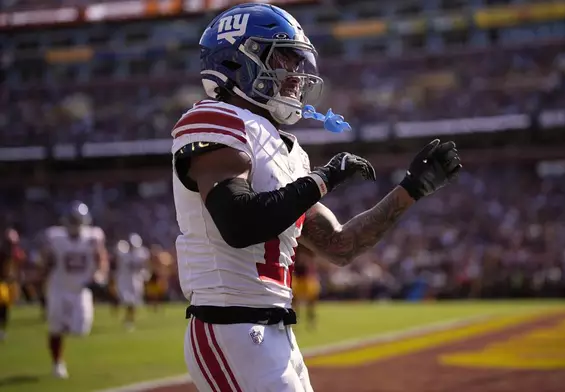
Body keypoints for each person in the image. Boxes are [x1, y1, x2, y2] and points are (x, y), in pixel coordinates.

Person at [172, 4, 461, 392]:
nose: (296, 75)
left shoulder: (288, 150)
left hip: (275, 329)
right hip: (229, 325)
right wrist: (324, 179)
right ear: (237, 61)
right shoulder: (216, 118)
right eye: (284, 59)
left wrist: (410, 191)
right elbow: (238, 223)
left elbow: (340, 245)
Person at [40, 201, 108, 379]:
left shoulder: (93, 237)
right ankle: (57, 363)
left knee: (81, 328)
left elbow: (101, 257)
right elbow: (46, 260)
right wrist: (42, 277)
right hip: (59, 286)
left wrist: (100, 274)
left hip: (81, 289)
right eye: (72, 219)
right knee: (55, 328)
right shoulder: (55, 237)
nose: (75, 223)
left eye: (78, 219)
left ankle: (66, 324)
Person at [114, 233, 150, 331]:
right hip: (124, 279)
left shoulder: (141, 254)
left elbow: (145, 265)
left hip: (136, 280)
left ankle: (130, 320)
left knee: (133, 302)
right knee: (126, 300)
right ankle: (128, 319)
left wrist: (145, 274)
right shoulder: (123, 253)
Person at [0, 227, 26, 341]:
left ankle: (2, 329)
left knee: (6, 307)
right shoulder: (2, 252)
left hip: (10, 282)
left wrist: (18, 279)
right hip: (2, 280)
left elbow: (18, 267)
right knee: (2, 303)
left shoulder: (16, 252)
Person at [291, 244, 320, 331]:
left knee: (311, 302)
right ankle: (295, 320)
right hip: (297, 278)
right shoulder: (296, 247)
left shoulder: (309, 248)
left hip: (307, 278)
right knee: (294, 302)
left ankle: (311, 321)